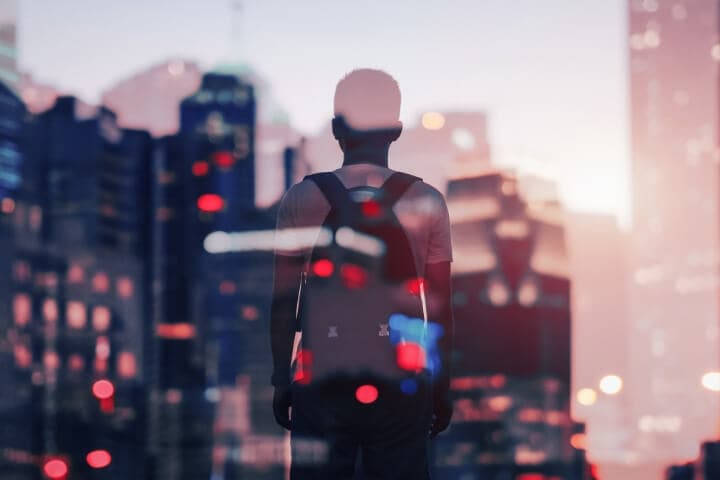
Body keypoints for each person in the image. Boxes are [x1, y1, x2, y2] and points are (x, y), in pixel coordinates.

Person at [270, 68, 454, 479]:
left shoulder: (302, 198)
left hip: (320, 377)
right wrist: (441, 385)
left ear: (336, 128)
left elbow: (284, 300)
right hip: (401, 377)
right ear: (396, 130)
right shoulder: (426, 201)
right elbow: (439, 308)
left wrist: (282, 377)